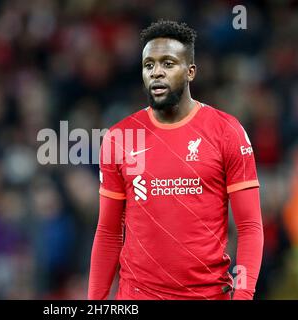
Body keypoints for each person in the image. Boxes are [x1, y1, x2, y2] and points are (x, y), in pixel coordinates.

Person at [88, 20, 263, 300]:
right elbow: (108, 232)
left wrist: (243, 295)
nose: (157, 72)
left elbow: (250, 227)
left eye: (168, 64)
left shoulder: (227, 132)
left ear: (190, 71)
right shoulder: (120, 137)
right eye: (149, 65)